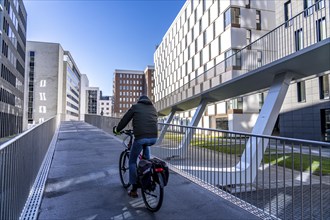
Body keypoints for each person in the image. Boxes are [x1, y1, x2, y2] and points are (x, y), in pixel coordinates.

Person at [113, 95, 158, 198]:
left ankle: (134, 190)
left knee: (132, 161)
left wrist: (117, 130)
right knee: (146, 160)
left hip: (141, 137)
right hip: (153, 138)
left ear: (140, 101)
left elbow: (125, 120)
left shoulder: (136, 107)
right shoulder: (153, 108)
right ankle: (147, 176)